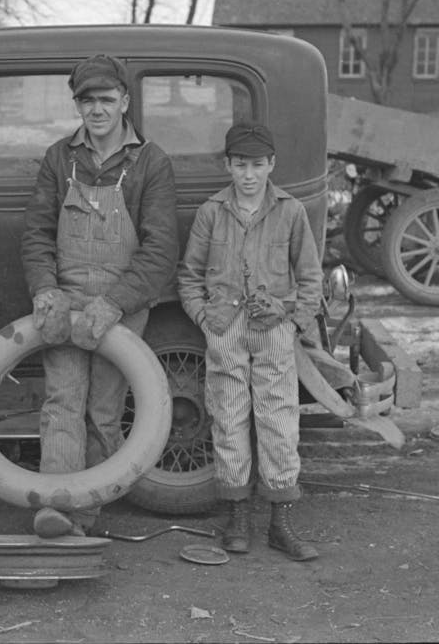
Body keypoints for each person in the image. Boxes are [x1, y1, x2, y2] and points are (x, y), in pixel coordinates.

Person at [21, 54, 179, 538]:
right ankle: (55, 509)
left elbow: (160, 248)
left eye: (106, 99)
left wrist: (115, 303)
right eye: (86, 100)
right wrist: (45, 290)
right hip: (65, 302)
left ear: (125, 101)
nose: (96, 109)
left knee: (104, 411)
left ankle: (87, 514)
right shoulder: (59, 158)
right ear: (77, 104)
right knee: (62, 402)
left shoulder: (151, 162)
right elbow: (36, 234)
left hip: (120, 308)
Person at [177, 120, 323, 561]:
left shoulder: (291, 212)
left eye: (257, 165)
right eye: (240, 165)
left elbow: (312, 277)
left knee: (279, 419)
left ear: (271, 165)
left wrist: (294, 322)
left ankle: (280, 522)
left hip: (273, 329)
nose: (248, 175)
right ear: (228, 165)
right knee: (228, 416)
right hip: (225, 329)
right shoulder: (210, 212)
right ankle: (237, 515)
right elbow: (188, 277)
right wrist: (204, 317)